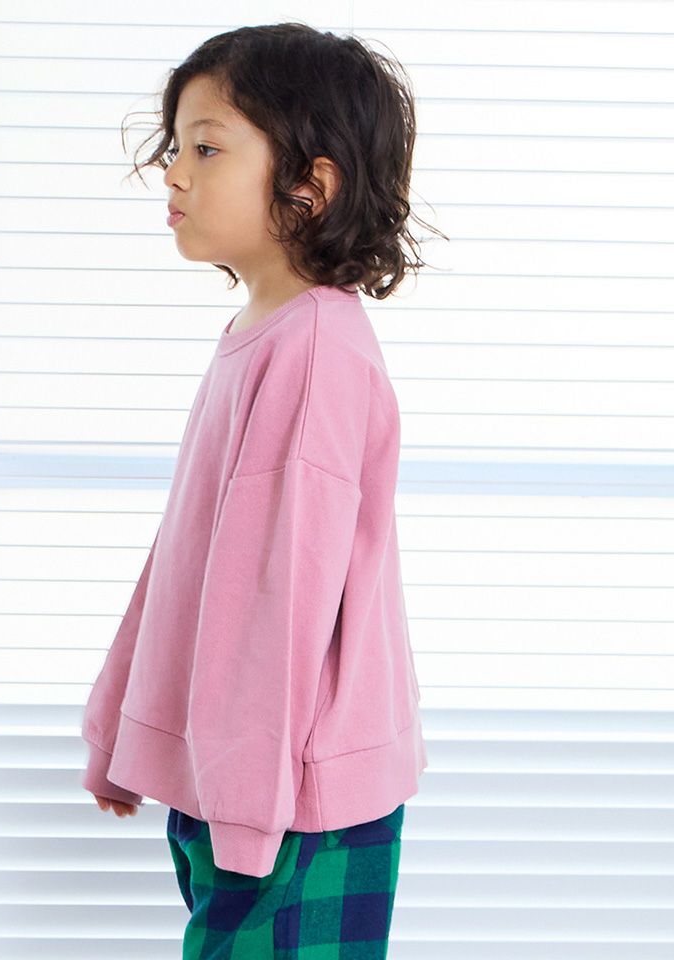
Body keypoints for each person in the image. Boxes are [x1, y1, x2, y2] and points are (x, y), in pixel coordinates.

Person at [81, 20, 444, 957]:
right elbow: (184, 562)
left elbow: (280, 608)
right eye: (174, 148)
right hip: (240, 784)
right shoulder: (264, 333)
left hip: (291, 803)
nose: (173, 174)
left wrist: (246, 818)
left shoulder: (314, 354)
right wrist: (124, 732)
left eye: (206, 149)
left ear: (309, 187)